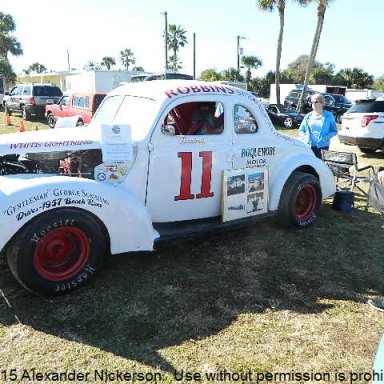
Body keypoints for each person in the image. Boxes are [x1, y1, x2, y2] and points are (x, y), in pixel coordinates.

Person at [299, 93, 338, 159]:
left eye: (316, 101)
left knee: (321, 166)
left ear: (322, 103)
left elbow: (334, 131)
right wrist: (305, 138)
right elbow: (301, 130)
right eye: (312, 102)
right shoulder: (308, 116)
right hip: (309, 147)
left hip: (323, 146)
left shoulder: (329, 116)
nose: (313, 103)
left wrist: (327, 137)